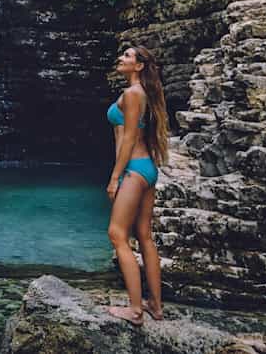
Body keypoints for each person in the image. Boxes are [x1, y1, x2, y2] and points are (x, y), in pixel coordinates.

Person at [105, 45, 169, 326]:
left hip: (133, 169)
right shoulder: (144, 93)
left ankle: (134, 309)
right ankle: (155, 304)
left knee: (117, 234)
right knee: (144, 235)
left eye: (128, 56)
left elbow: (129, 138)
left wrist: (115, 177)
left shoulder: (133, 94)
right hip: (148, 169)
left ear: (139, 66)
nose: (121, 58)